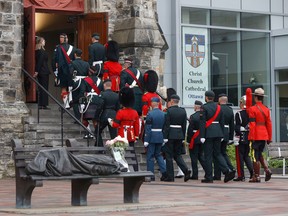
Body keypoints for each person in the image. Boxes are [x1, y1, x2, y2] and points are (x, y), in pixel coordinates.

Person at [199, 90, 235, 183]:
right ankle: (227, 171)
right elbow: (222, 121)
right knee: (218, 153)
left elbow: (202, 122)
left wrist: (202, 136)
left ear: (206, 97)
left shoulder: (204, 107)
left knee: (208, 156)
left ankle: (209, 177)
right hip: (218, 132)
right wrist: (222, 134)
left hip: (208, 133)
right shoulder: (218, 107)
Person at [109, 87, 140, 171]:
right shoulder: (135, 112)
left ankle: (122, 167)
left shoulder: (120, 112)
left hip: (122, 134)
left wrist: (110, 121)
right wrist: (136, 136)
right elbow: (137, 125)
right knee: (132, 153)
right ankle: (135, 168)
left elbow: (115, 125)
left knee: (119, 152)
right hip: (132, 135)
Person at [162, 94, 191, 182]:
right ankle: (186, 171)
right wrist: (182, 136)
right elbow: (184, 125)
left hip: (170, 135)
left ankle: (170, 176)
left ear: (171, 101)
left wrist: (165, 137)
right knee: (177, 155)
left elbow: (167, 125)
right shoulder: (183, 111)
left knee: (168, 156)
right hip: (179, 135)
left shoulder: (169, 111)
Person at [248, 88, 272, 183]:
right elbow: (269, 124)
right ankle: (267, 170)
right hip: (264, 134)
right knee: (259, 154)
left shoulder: (252, 109)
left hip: (256, 134)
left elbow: (252, 125)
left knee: (254, 156)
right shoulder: (266, 109)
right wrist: (269, 137)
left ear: (255, 97)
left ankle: (256, 176)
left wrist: (251, 136)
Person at [143, 97, 167, 181]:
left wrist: (146, 140)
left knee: (150, 156)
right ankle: (164, 172)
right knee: (158, 155)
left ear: (154, 103)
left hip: (152, 137)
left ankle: (151, 175)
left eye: (151, 102)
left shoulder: (150, 114)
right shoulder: (163, 114)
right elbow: (164, 127)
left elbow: (148, 128)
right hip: (160, 136)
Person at [76, 68, 104, 139]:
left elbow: (82, 91)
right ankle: (97, 134)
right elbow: (102, 91)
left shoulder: (85, 80)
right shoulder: (100, 80)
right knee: (95, 119)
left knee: (84, 118)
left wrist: (78, 100)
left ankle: (89, 132)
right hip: (98, 100)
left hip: (89, 100)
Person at [213, 93, 235, 180]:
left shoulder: (217, 108)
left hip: (218, 132)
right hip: (226, 132)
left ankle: (218, 174)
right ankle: (231, 168)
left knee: (217, 153)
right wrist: (230, 137)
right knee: (223, 152)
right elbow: (232, 125)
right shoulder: (230, 110)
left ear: (219, 100)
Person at [52, 33, 75, 108]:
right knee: (70, 85)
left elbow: (54, 60)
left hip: (62, 71)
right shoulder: (73, 48)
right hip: (71, 70)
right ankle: (71, 98)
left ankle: (66, 104)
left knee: (63, 87)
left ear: (62, 39)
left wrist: (54, 71)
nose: (60, 39)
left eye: (60, 37)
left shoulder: (58, 48)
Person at [233, 95, 254, 181]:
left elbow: (237, 126)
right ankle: (252, 173)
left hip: (241, 136)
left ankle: (241, 175)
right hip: (249, 137)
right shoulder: (252, 113)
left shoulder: (239, 113)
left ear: (242, 103)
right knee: (247, 156)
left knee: (239, 157)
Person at [96, 79, 120, 146]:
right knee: (113, 134)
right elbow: (118, 107)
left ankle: (100, 148)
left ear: (104, 85)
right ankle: (115, 149)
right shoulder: (116, 95)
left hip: (105, 114)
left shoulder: (102, 94)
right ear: (111, 85)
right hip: (114, 114)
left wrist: (96, 117)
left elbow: (99, 106)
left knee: (97, 131)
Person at [187, 100, 206, 180]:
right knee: (201, 156)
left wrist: (188, 140)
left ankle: (195, 175)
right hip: (202, 138)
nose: (194, 107)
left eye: (194, 105)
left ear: (197, 106)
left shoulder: (193, 116)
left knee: (194, 157)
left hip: (194, 138)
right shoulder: (204, 116)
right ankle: (208, 171)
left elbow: (190, 130)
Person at [70, 48, 90, 121]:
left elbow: (71, 73)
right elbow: (88, 73)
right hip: (84, 82)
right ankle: (83, 117)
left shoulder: (73, 63)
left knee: (75, 100)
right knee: (83, 99)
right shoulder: (86, 63)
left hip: (76, 82)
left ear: (75, 55)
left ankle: (77, 118)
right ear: (81, 55)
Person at [34, 36, 51, 109]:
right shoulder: (41, 51)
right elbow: (40, 62)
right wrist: (36, 71)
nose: (45, 42)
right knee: (44, 88)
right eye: (44, 41)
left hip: (41, 71)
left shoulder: (37, 51)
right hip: (43, 71)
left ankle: (42, 104)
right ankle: (43, 104)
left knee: (41, 88)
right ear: (41, 42)